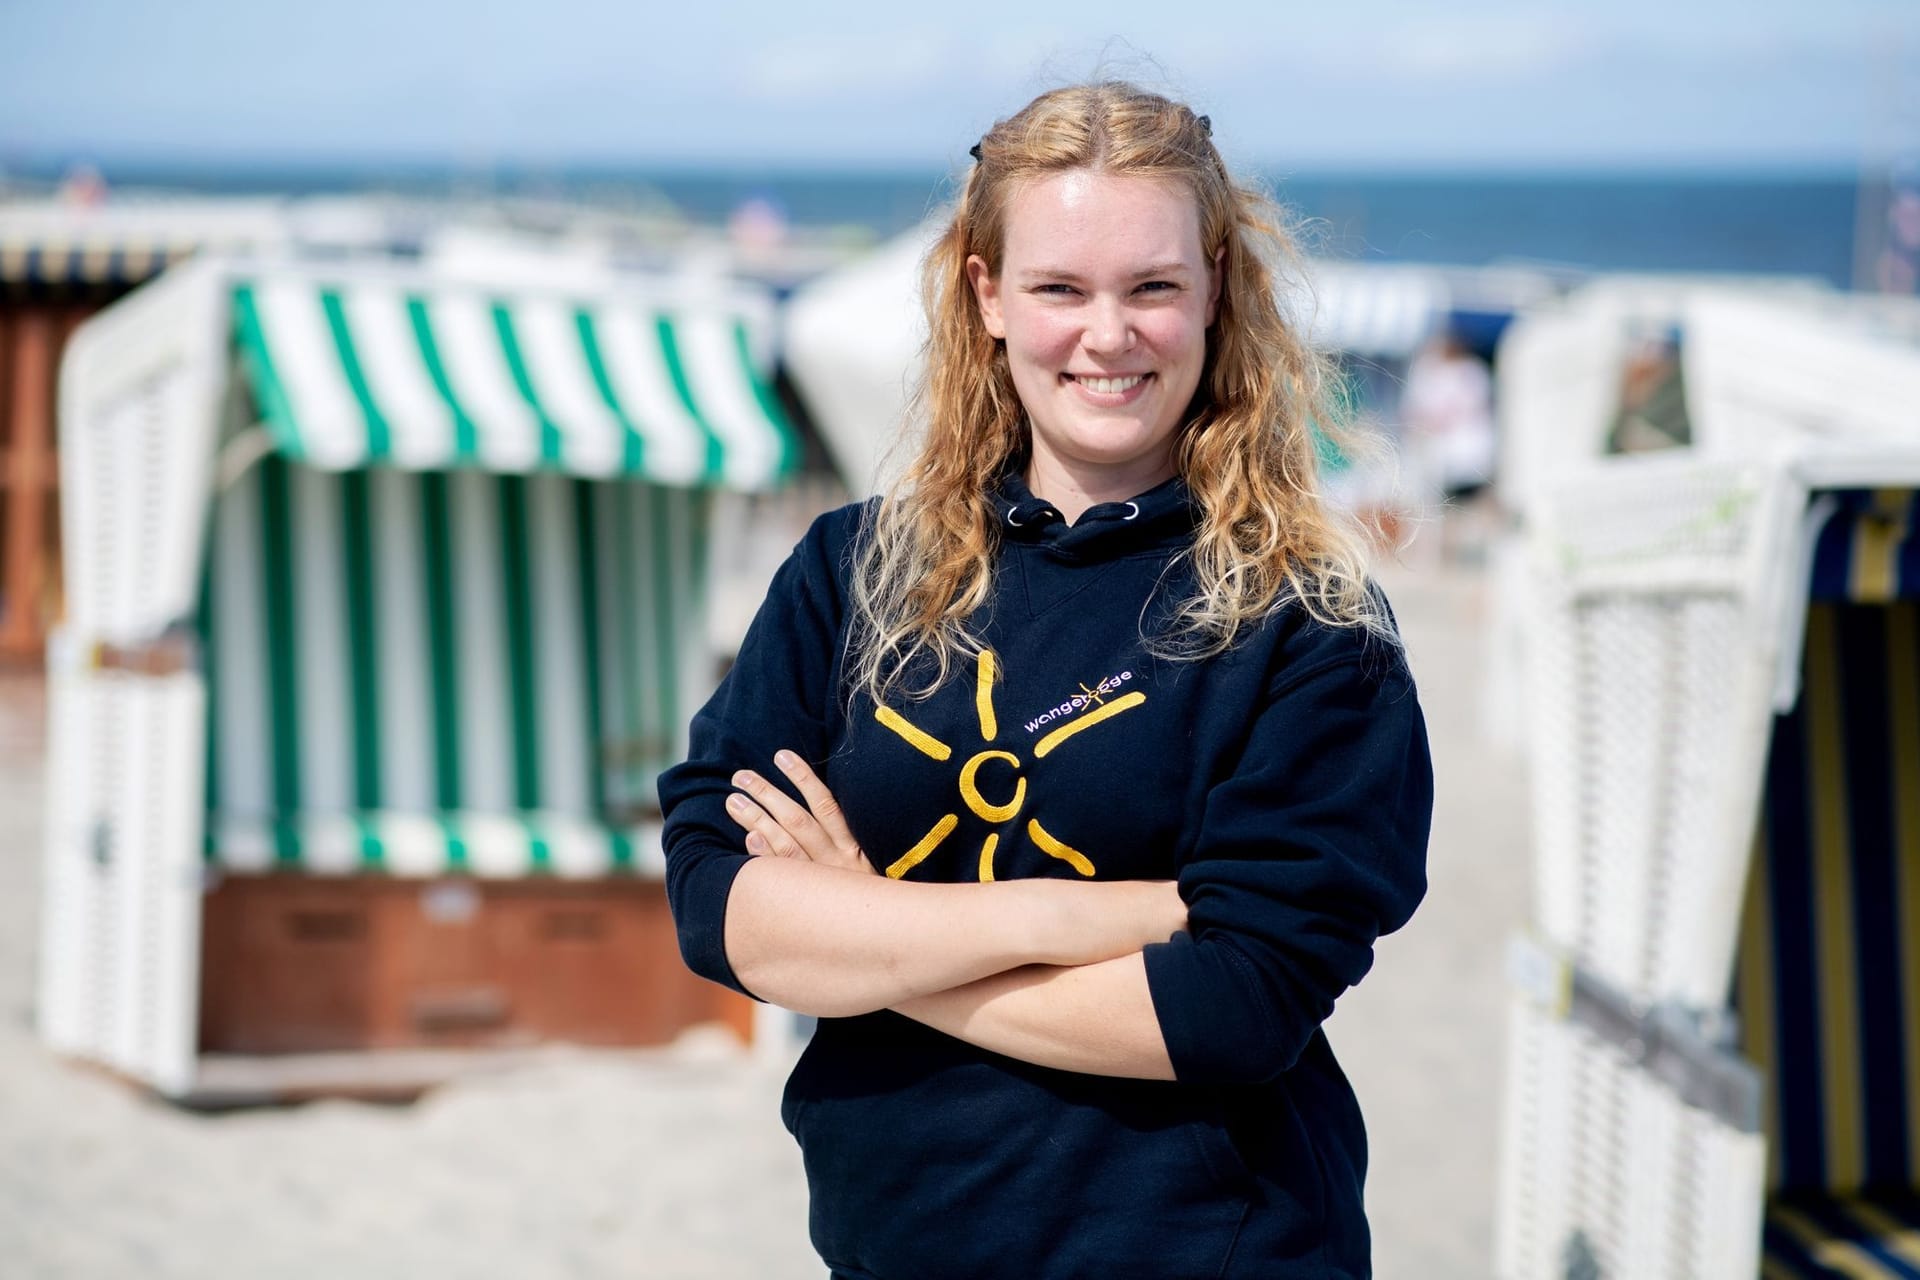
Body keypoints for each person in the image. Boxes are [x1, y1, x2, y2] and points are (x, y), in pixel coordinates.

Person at [660, 81, 1433, 1280]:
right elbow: (717, 902)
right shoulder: (854, 570)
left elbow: (1234, 1003)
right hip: (891, 1245)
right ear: (988, 298)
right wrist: (1084, 915)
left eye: (1153, 288)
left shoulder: (1307, 616)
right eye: (1061, 288)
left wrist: (864, 936)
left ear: (1217, 289)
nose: (1107, 335)